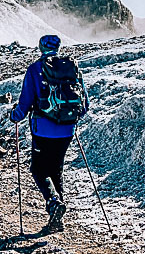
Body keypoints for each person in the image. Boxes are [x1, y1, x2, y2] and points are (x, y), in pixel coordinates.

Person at [10, 34, 88, 232]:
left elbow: (25, 103)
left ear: (41, 47)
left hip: (42, 129)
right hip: (67, 129)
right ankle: (56, 219)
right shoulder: (72, 67)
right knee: (56, 169)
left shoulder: (36, 69)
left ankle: (54, 203)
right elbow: (84, 104)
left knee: (39, 169)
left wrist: (14, 116)